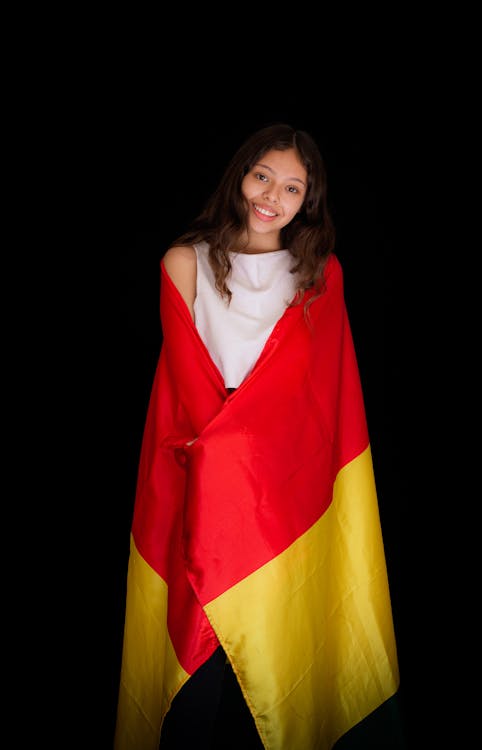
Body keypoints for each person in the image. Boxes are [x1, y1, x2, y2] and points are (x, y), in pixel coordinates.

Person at [114, 123, 401, 750]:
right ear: (240, 175)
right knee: (196, 657)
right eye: (263, 176)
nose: (273, 195)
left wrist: (261, 460)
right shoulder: (183, 261)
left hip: (281, 493)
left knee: (274, 651)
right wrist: (222, 457)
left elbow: (319, 398)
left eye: (293, 187)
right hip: (201, 470)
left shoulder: (318, 274)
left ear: (309, 201)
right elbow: (186, 381)